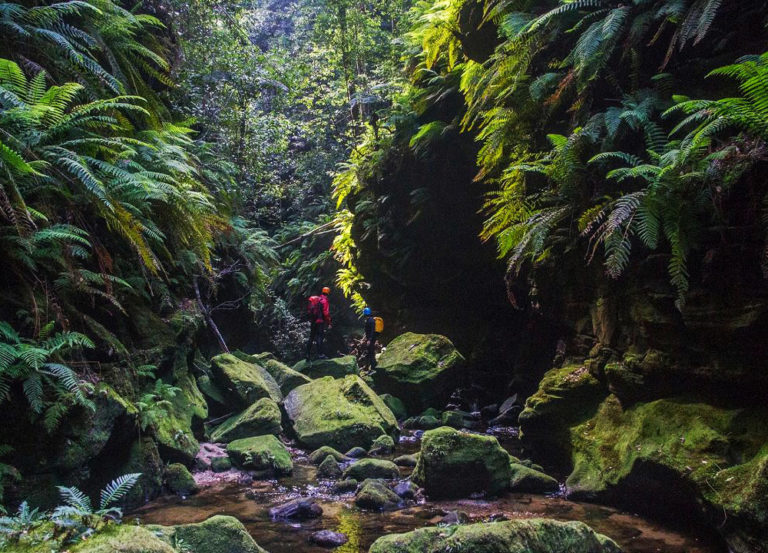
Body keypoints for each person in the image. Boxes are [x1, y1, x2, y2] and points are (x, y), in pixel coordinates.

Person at [306, 287, 331, 360]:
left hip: (313, 322)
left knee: (311, 337)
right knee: (319, 337)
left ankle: (307, 354)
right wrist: (329, 323)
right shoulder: (324, 301)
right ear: (328, 293)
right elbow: (326, 313)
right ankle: (320, 354)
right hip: (320, 322)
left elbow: (309, 311)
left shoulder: (316, 299)